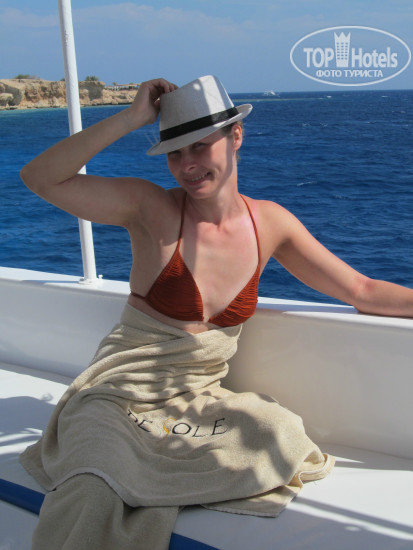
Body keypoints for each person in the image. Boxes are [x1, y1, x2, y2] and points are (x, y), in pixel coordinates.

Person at [19, 75, 413, 550]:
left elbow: (361, 289)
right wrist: (132, 117)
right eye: (175, 153)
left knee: (279, 432)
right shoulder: (151, 209)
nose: (187, 165)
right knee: (93, 485)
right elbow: (40, 177)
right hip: (119, 395)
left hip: (195, 399)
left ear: (236, 136)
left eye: (200, 146)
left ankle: (151, 476)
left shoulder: (270, 224)